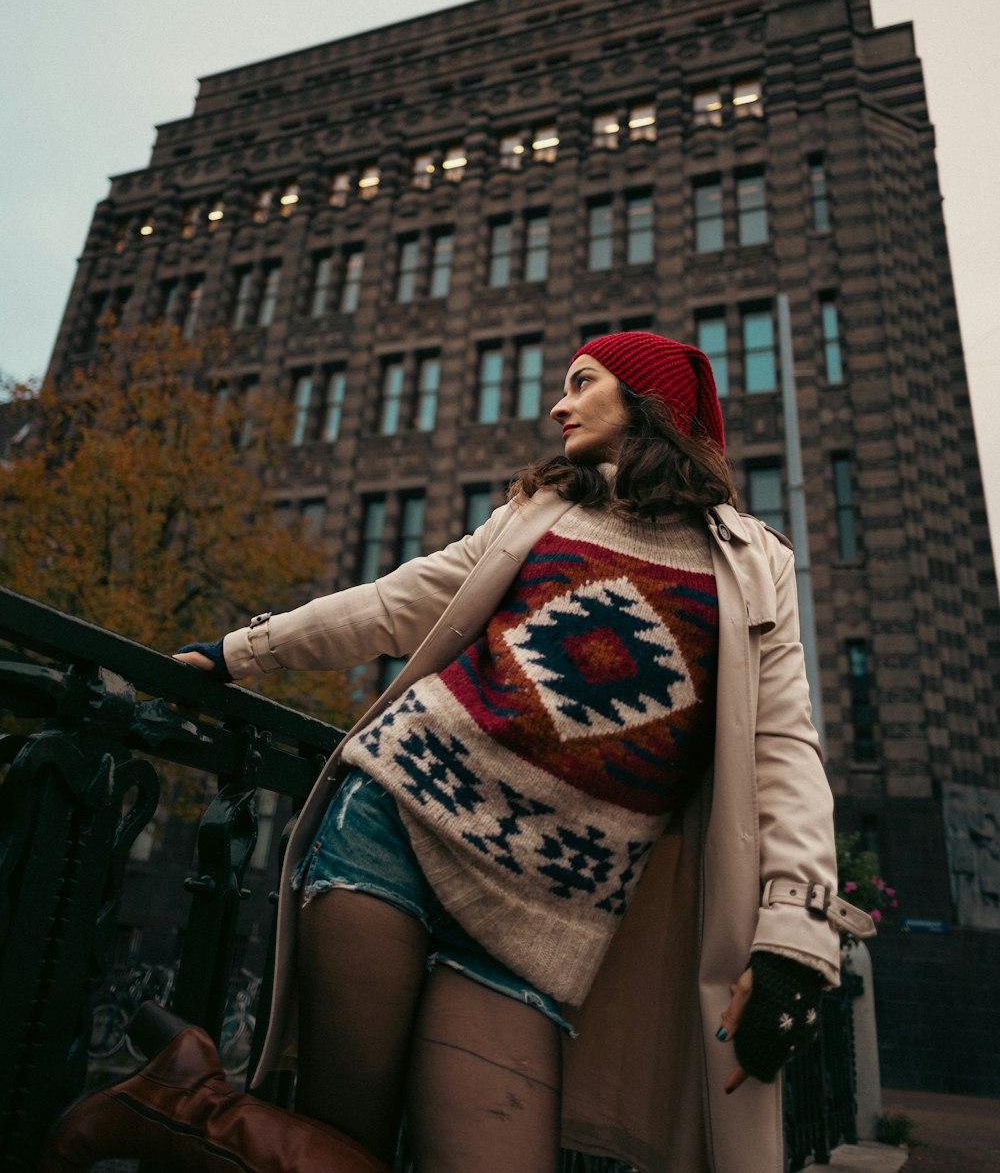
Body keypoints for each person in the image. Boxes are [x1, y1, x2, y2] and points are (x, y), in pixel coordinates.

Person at [45, 332, 874, 1173]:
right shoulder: (542, 514)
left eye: (583, 383)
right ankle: (182, 1099)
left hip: (548, 907)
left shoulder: (750, 560)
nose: (558, 403)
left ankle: (184, 1104)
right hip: (395, 824)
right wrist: (242, 652)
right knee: (346, 1136)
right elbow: (397, 601)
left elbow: (783, 744)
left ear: (647, 402)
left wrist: (796, 934)